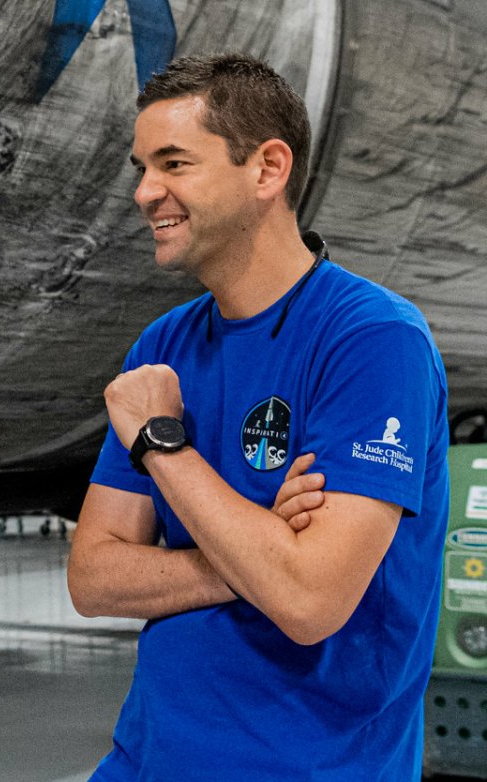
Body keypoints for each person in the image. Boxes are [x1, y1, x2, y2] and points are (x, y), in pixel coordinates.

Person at [68, 53, 448, 780]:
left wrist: (162, 446)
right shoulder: (164, 348)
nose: (147, 192)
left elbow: (308, 600)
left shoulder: (372, 340)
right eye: (141, 168)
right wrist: (258, 550)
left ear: (268, 169)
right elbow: (93, 578)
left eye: (174, 163)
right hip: (144, 760)